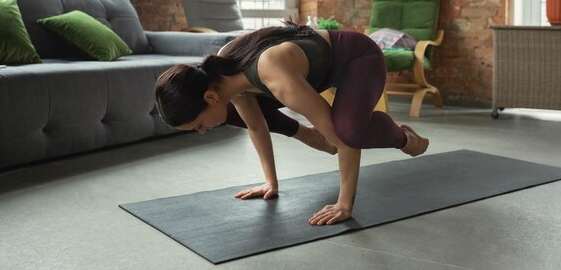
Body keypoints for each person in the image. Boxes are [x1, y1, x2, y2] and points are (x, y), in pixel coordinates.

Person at [154, 22, 429, 225]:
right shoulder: (222, 78)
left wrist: (344, 203)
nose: (202, 132)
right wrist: (270, 183)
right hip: (320, 69)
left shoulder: (273, 74)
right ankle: (318, 134)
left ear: (210, 97)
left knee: (348, 130)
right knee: (239, 115)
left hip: (359, 58)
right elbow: (256, 126)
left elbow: (341, 140)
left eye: (198, 125)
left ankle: (403, 138)